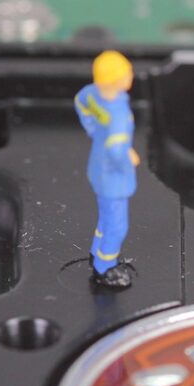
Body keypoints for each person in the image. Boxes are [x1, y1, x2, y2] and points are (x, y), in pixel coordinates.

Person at [74, 50, 140, 288]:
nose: (130, 76)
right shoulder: (118, 112)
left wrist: (93, 130)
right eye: (126, 73)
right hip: (114, 178)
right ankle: (105, 267)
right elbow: (116, 150)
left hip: (97, 165)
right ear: (115, 79)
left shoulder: (92, 93)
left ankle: (96, 252)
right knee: (117, 226)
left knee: (105, 218)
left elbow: (80, 102)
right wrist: (127, 161)